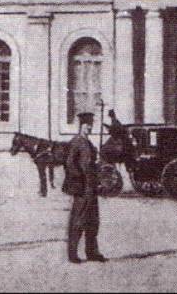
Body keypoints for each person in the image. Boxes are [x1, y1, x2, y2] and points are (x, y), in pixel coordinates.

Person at [63, 112, 107, 264]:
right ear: (81, 126)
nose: (89, 128)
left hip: (92, 186)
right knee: (78, 220)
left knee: (93, 221)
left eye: (91, 125)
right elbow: (69, 163)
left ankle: (92, 252)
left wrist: (97, 169)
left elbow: (92, 163)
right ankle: (72, 254)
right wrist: (79, 179)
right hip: (82, 187)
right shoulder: (76, 142)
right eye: (87, 125)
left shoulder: (89, 143)